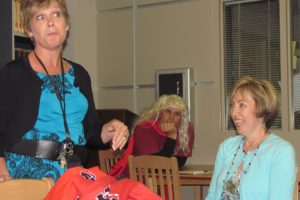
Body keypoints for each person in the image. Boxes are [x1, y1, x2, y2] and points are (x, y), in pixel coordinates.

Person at [0, 0, 129, 183]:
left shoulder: (80, 74)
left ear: (66, 25)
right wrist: (2, 171)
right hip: (29, 173)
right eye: (40, 17)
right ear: (29, 30)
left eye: (56, 14)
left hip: (72, 168)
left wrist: (111, 129)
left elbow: (91, 132)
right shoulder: (13, 73)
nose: (51, 22)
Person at [206, 76, 297, 200]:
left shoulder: (281, 151)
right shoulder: (226, 147)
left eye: (242, 105)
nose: (233, 112)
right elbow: (212, 194)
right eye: (233, 105)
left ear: (261, 108)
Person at [109, 94, 195, 178]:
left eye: (177, 114)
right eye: (168, 111)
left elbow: (179, 163)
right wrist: (171, 137)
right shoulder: (144, 128)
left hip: (161, 180)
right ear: (160, 113)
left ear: (181, 118)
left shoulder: (185, 132)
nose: (171, 117)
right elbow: (154, 164)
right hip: (133, 179)